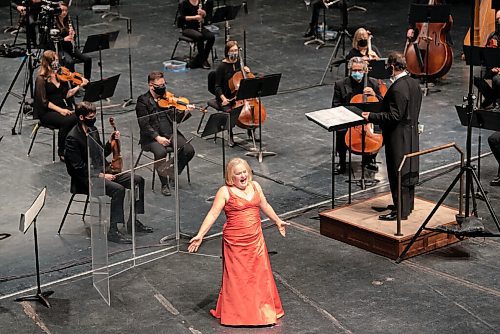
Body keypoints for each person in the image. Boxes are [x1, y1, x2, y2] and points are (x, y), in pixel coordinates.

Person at [188, 158, 288, 326]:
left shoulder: (255, 186)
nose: (243, 176)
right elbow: (213, 214)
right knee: (238, 278)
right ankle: (239, 315)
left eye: (244, 172)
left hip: (256, 240)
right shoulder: (225, 192)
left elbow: (265, 205)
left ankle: (261, 310)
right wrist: (200, 235)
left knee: (258, 276)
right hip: (235, 243)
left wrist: (277, 220)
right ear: (230, 176)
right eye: (238, 173)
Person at [64, 102, 153, 244]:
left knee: (138, 180)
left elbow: (101, 153)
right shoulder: (72, 138)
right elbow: (77, 167)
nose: (93, 118)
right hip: (85, 179)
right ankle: (113, 231)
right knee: (118, 190)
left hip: (103, 172)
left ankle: (133, 220)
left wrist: (110, 141)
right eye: (90, 116)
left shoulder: (93, 130)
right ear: (81, 117)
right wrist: (100, 175)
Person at [362, 52, 422, 221]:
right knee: (408, 172)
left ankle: (399, 213)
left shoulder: (397, 88)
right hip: (411, 135)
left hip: (398, 138)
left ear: (393, 67)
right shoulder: (414, 83)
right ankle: (406, 206)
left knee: (398, 172)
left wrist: (371, 116)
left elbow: (394, 116)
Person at [136, 71, 195, 197]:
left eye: (164, 84)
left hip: (170, 133)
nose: (163, 87)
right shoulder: (143, 101)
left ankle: (171, 171)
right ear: (151, 85)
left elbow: (176, 119)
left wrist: (185, 112)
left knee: (189, 150)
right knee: (161, 152)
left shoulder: (167, 98)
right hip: (151, 138)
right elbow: (144, 124)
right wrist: (157, 138)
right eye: (159, 85)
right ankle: (164, 184)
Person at [332, 57, 382, 174]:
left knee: (379, 131)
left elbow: (381, 103)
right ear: (350, 70)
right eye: (354, 70)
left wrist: (374, 94)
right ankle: (342, 162)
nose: (357, 73)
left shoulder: (373, 83)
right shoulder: (340, 84)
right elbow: (335, 105)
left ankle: (369, 160)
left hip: (367, 118)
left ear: (365, 70)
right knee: (341, 131)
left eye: (360, 70)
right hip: (348, 118)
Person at [34, 50, 87, 161]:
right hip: (47, 112)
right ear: (47, 62)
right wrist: (60, 111)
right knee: (68, 120)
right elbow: (44, 102)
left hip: (61, 107)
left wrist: (79, 86)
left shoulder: (60, 75)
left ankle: (76, 147)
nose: (57, 63)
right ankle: (62, 150)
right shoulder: (41, 79)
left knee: (79, 115)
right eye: (54, 60)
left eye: (57, 60)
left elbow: (66, 95)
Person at [212, 40, 251, 146]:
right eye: (232, 50)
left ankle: (250, 130)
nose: (235, 53)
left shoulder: (239, 62)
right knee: (230, 112)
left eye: (236, 50)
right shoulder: (222, 67)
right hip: (226, 97)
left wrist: (247, 71)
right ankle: (230, 134)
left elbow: (244, 80)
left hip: (239, 95)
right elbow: (217, 86)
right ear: (227, 52)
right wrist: (223, 98)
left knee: (252, 108)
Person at [52, 2, 92, 80]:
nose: (64, 13)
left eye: (66, 11)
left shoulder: (69, 21)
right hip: (60, 48)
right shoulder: (53, 23)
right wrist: (63, 39)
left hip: (70, 47)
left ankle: (87, 81)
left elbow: (73, 36)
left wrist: (73, 35)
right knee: (70, 62)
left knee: (87, 59)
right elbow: (52, 39)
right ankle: (73, 81)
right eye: (62, 10)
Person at [474, 10, 500, 109]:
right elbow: (486, 53)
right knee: (476, 77)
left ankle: (497, 100)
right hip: (492, 67)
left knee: (497, 79)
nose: (498, 22)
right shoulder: (493, 35)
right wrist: (491, 67)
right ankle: (491, 97)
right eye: (497, 19)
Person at [178, 0, 215, 69]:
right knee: (199, 37)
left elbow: (205, 17)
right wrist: (195, 17)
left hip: (198, 27)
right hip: (187, 28)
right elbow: (182, 18)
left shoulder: (200, 2)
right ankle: (203, 61)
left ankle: (202, 59)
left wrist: (204, 13)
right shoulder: (185, 3)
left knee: (211, 37)